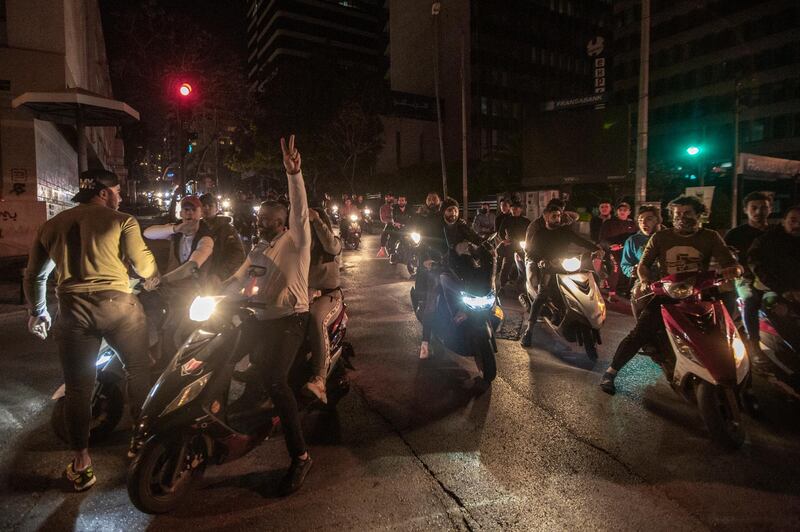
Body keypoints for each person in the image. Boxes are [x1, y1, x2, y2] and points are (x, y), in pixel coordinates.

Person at [23, 169, 157, 491]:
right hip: (119, 307)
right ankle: (142, 442)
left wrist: (37, 313)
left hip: (73, 312)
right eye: (117, 191)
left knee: (78, 387)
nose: (120, 197)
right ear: (103, 193)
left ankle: (82, 464)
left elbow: (35, 277)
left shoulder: (51, 226)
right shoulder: (122, 220)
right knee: (138, 369)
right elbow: (146, 267)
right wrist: (147, 271)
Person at [224, 135, 313, 495]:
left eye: (267, 218)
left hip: (291, 321)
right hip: (258, 319)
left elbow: (301, 208)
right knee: (221, 354)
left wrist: (294, 174)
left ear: (282, 221)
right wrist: (211, 293)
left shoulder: (297, 241)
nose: (260, 222)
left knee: (277, 380)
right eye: (259, 218)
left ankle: (301, 457)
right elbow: (238, 277)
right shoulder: (258, 248)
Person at [599, 195, 741, 394]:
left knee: (727, 334)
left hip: (702, 294)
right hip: (667, 293)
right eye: (678, 214)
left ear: (699, 215)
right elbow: (643, 265)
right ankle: (611, 372)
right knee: (641, 331)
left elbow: (729, 263)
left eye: (688, 213)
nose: (682, 218)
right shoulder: (660, 238)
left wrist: (732, 270)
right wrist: (646, 281)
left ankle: (744, 385)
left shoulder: (711, 237)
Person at [520, 200, 603, 347]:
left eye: (559, 215)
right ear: (546, 216)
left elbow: (580, 241)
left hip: (564, 266)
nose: (557, 218)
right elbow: (531, 252)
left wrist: (595, 248)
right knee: (542, 295)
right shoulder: (539, 233)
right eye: (554, 216)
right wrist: (541, 261)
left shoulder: (565, 231)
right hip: (548, 268)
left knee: (588, 278)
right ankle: (529, 330)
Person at [417, 197, 483, 358]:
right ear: (443, 212)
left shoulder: (462, 226)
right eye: (449, 210)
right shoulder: (435, 226)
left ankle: (464, 314)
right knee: (431, 301)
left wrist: (485, 247)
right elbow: (423, 244)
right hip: (438, 267)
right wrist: (425, 259)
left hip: (460, 268)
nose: (452, 213)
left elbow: (476, 239)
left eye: (454, 210)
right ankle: (425, 343)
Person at [303, 207, 343, 404]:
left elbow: (331, 245)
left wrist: (317, 220)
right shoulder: (299, 249)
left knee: (316, 319)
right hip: (300, 299)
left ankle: (319, 379)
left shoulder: (332, 245)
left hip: (328, 297)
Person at [725, 192, 772, 357]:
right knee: (750, 300)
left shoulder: (776, 232)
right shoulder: (735, 234)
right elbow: (724, 258)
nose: (759, 211)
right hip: (745, 279)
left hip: (773, 278)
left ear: (770, 209)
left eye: (763, 207)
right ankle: (754, 344)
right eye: (754, 208)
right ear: (746, 210)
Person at [749, 205, 800, 303]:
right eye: (793, 221)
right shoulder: (766, 241)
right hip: (770, 290)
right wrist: (783, 289)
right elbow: (757, 266)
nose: (797, 225)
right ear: (783, 221)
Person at [620, 206, 662, 316]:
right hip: (646, 279)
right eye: (640, 220)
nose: (643, 223)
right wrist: (631, 270)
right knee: (638, 293)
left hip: (668, 277)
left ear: (658, 220)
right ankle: (640, 326)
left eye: (648, 219)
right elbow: (625, 264)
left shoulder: (669, 236)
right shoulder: (633, 240)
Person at [199, 193, 247, 286]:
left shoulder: (227, 229)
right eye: (203, 205)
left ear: (217, 208)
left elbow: (237, 254)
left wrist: (220, 274)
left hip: (220, 281)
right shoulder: (196, 228)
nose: (206, 208)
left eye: (210, 205)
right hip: (199, 281)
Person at [598, 201, 637, 301]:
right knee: (617, 266)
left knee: (634, 268)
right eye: (620, 210)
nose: (623, 212)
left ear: (629, 212)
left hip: (628, 251)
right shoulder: (609, 223)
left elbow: (635, 238)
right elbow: (602, 239)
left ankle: (629, 291)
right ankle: (612, 293)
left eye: (625, 210)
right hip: (613, 251)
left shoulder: (633, 225)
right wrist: (610, 245)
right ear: (617, 211)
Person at [498, 202, 530, 288]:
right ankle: (502, 286)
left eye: (516, 208)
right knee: (506, 265)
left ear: (521, 210)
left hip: (522, 246)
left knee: (526, 265)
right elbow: (500, 232)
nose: (514, 210)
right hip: (510, 245)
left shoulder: (526, 221)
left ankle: (524, 284)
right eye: (513, 209)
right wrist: (504, 240)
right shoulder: (507, 220)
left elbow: (531, 233)